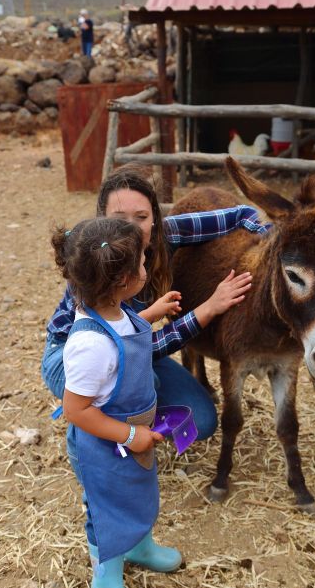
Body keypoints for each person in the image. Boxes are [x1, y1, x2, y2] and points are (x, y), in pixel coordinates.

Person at [53, 216, 252, 588]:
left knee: (138, 493)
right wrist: (129, 435)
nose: (149, 269)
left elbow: (127, 329)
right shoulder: (89, 345)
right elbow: (76, 410)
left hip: (134, 437)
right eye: (144, 264)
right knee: (105, 510)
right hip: (104, 443)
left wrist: (153, 313)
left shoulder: (117, 309)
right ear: (125, 280)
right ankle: (106, 577)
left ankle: (139, 544)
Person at [41, 165, 271, 440]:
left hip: (132, 345)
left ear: (154, 220)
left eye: (141, 217)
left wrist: (270, 239)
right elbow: (119, 347)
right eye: (119, 218)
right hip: (76, 354)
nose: (131, 228)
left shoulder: (165, 237)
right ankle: (94, 427)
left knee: (201, 420)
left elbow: (241, 215)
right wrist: (207, 309)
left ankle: (126, 414)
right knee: (145, 383)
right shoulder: (95, 265)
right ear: (102, 219)